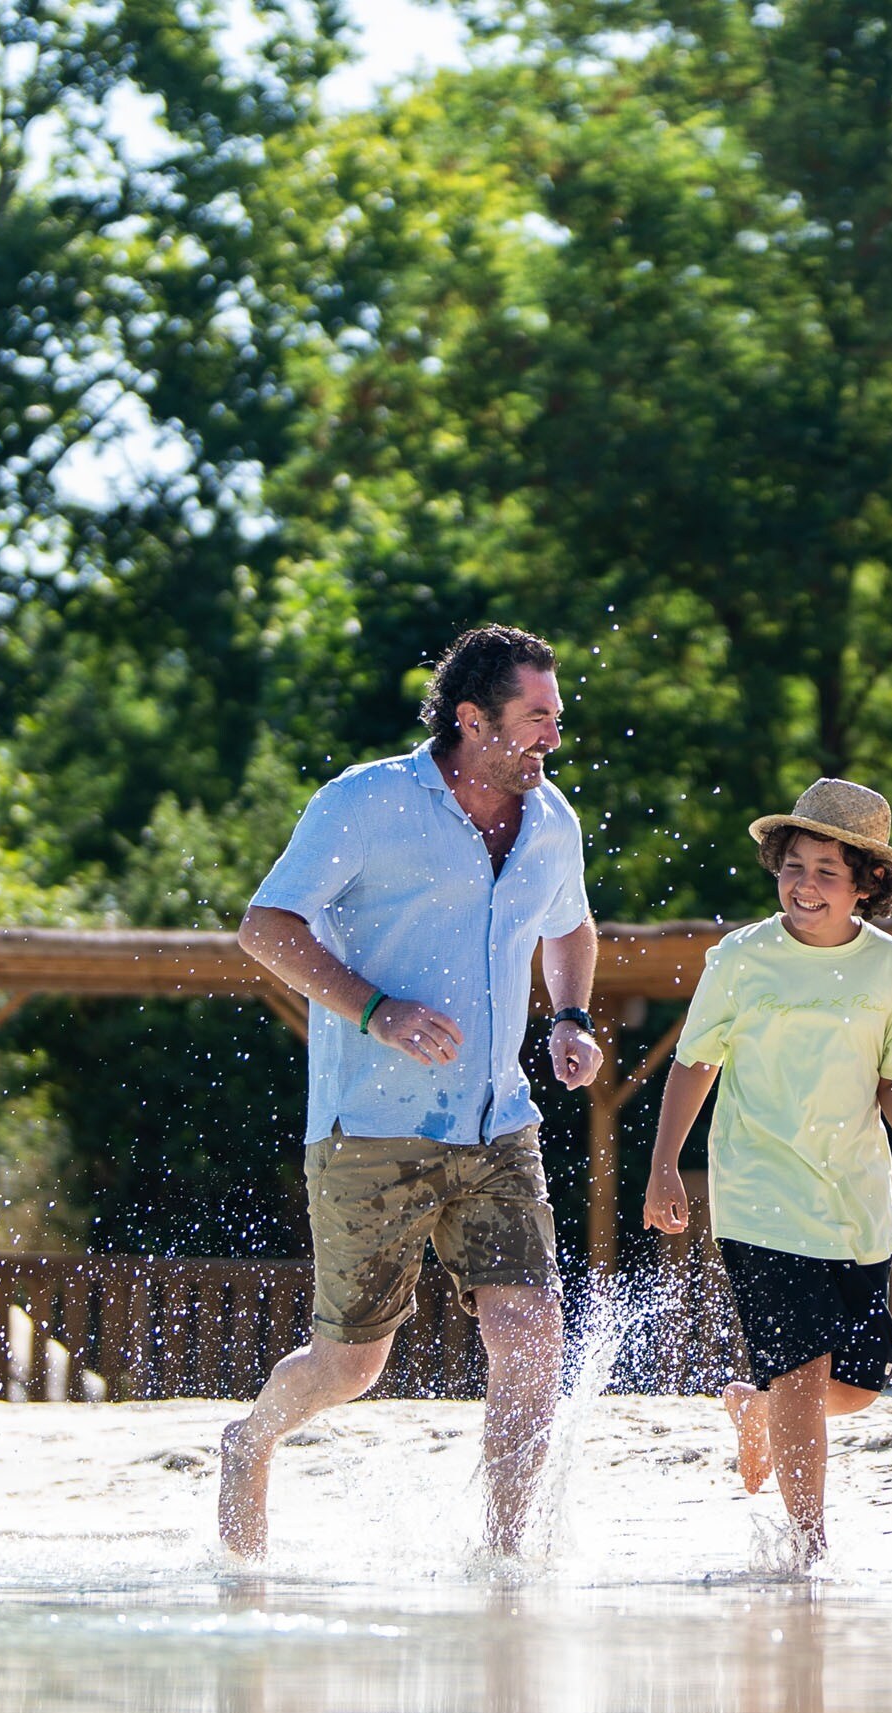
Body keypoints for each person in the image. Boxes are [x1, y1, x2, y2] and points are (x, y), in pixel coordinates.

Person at [219, 624, 606, 1559]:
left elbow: (573, 927)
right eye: (536, 718)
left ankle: (505, 1561)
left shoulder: (552, 820)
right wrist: (375, 1009)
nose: (555, 736)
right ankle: (250, 1440)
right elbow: (263, 928)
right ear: (473, 721)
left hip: (498, 1124)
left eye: (557, 716)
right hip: (369, 1129)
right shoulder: (367, 800)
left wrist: (570, 1018)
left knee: (532, 1333)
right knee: (350, 1365)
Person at [642, 780, 892, 1563]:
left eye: (827, 872)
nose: (805, 885)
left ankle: (754, 1409)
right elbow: (694, 1063)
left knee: (860, 1384)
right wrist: (665, 1165)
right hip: (758, 1193)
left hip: (855, 1200)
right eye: (793, 866)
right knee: (801, 1371)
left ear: (867, 883)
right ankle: (810, 1548)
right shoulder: (739, 958)